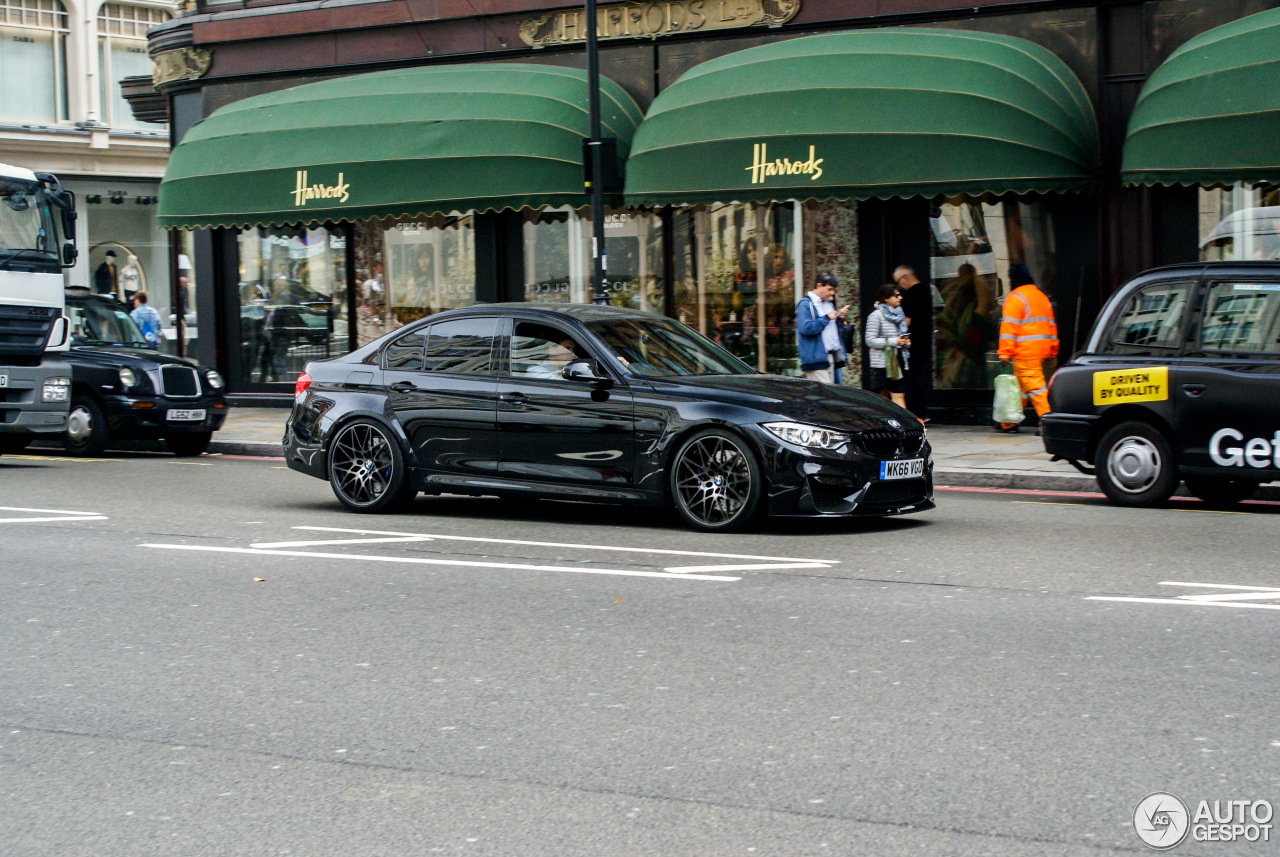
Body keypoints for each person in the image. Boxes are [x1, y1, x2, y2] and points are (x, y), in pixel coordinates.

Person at [997, 263, 1059, 433]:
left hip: (1026, 352)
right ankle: (1008, 423)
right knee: (1020, 390)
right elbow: (1051, 326)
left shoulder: (1015, 298)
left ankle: (1050, 422)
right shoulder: (1041, 296)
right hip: (1041, 349)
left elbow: (1009, 328)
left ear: (1012, 280)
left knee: (1036, 389)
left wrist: (1004, 353)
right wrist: (1053, 351)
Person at [893, 265, 932, 418]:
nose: (899, 286)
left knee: (908, 378)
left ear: (905, 277)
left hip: (912, 343)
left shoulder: (911, 295)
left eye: (898, 281)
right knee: (913, 377)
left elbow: (906, 322)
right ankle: (920, 412)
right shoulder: (925, 290)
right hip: (924, 341)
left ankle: (916, 413)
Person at [795, 271, 849, 384]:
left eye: (834, 290)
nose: (832, 293)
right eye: (830, 289)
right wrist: (826, 318)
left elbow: (831, 330)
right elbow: (806, 328)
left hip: (831, 357)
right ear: (819, 285)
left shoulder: (829, 304)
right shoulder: (805, 304)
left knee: (831, 395)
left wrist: (839, 319)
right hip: (816, 360)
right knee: (824, 396)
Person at [865, 283, 909, 409]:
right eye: (896, 295)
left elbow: (898, 337)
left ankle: (901, 425)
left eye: (900, 295)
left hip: (895, 360)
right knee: (882, 396)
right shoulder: (876, 315)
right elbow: (870, 340)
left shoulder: (898, 315)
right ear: (885, 298)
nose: (899, 297)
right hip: (881, 363)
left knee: (897, 394)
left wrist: (904, 342)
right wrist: (893, 341)